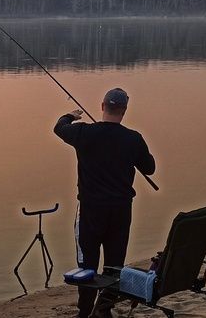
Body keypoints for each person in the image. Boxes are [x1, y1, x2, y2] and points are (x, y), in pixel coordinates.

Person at [53, 87, 156, 318]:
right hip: (121, 211)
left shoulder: (84, 133)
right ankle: (104, 310)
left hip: (90, 210)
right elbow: (150, 167)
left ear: (102, 106)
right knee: (114, 264)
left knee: (86, 264)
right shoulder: (133, 138)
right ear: (124, 110)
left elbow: (59, 128)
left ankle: (85, 312)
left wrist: (70, 115)